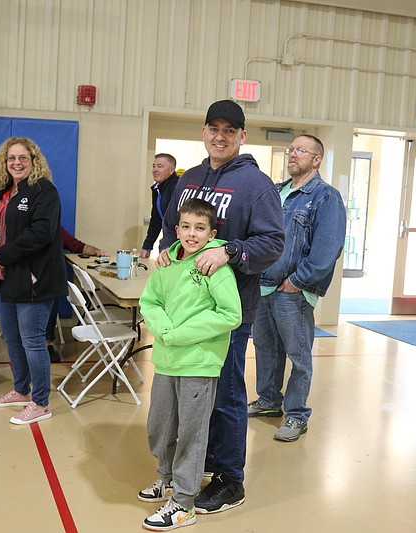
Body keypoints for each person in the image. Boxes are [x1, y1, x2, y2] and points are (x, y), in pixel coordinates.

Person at [156, 100, 284, 514]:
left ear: (242, 136)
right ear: (204, 131)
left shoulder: (257, 186)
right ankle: (203, 464)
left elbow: (272, 243)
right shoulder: (188, 178)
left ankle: (231, 480)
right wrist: (164, 252)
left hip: (229, 313)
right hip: (183, 311)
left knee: (226, 394)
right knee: (194, 396)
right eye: (214, 128)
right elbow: (169, 228)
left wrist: (230, 250)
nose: (220, 136)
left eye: (230, 130)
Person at [137, 198, 242, 531]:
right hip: (167, 360)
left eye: (200, 228)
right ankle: (167, 480)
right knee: (160, 426)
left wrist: (180, 334)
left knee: (191, 433)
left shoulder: (215, 266)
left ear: (211, 233)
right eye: (186, 227)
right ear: (177, 229)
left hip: (198, 362)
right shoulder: (168, 263)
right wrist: (165, 330)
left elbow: (231, 314)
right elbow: (149, 301)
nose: (192, 234)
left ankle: (183, 503)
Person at [248, 134, 346, 442]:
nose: (293, 154)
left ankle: (296, 415)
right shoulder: (277, 192)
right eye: (291, 149)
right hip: (262, 287)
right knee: (265, 349)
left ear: (316, 159)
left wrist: (297, 282)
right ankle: (268, 401)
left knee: (298, 356)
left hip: (293, 292)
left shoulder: (326, 197)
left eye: (301, 151)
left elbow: (328, 249)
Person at [0, 137, 67, 424]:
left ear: (34, 161)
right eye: (11, 158)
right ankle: (21, 390)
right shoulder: (6, 192)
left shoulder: (44, 191)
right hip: (10, 277)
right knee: (12, 337)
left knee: (33, 340)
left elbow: (42, 233)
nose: (16, 163)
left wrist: (4, 254)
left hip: (36, 278)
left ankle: (41, 402)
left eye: (23, 158)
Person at [45, 227, 108, 363]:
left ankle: (47, 342)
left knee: (51, 290)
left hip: (48, 282)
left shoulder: (56, 229)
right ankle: (43, 343)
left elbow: (78, 246)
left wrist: (97, 251)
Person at [140, 154, 178, 259]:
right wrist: (147, 245)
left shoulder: (177, 187)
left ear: (171, 170)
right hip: (168, 241)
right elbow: (156, 220)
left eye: (160, 166)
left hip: (179, 243)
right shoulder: (157, 189)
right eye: (154, 166)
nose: (155, 170)